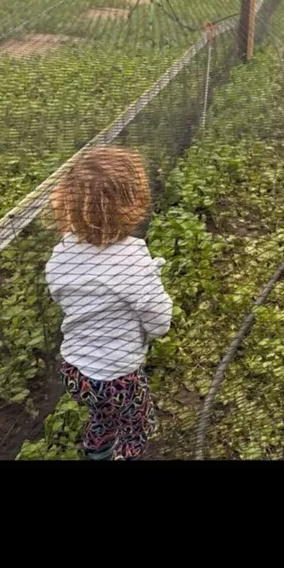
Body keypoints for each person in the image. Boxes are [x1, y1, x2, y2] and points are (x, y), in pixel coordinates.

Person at [45, 146, 172, 461]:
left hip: (76, 371)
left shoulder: (61, 254)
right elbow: (159, 322)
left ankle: (97, 452)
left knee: (101, 414)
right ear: (133, 205)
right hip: (120, 378)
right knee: (136, 427)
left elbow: (60, 294)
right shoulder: (132, 259)